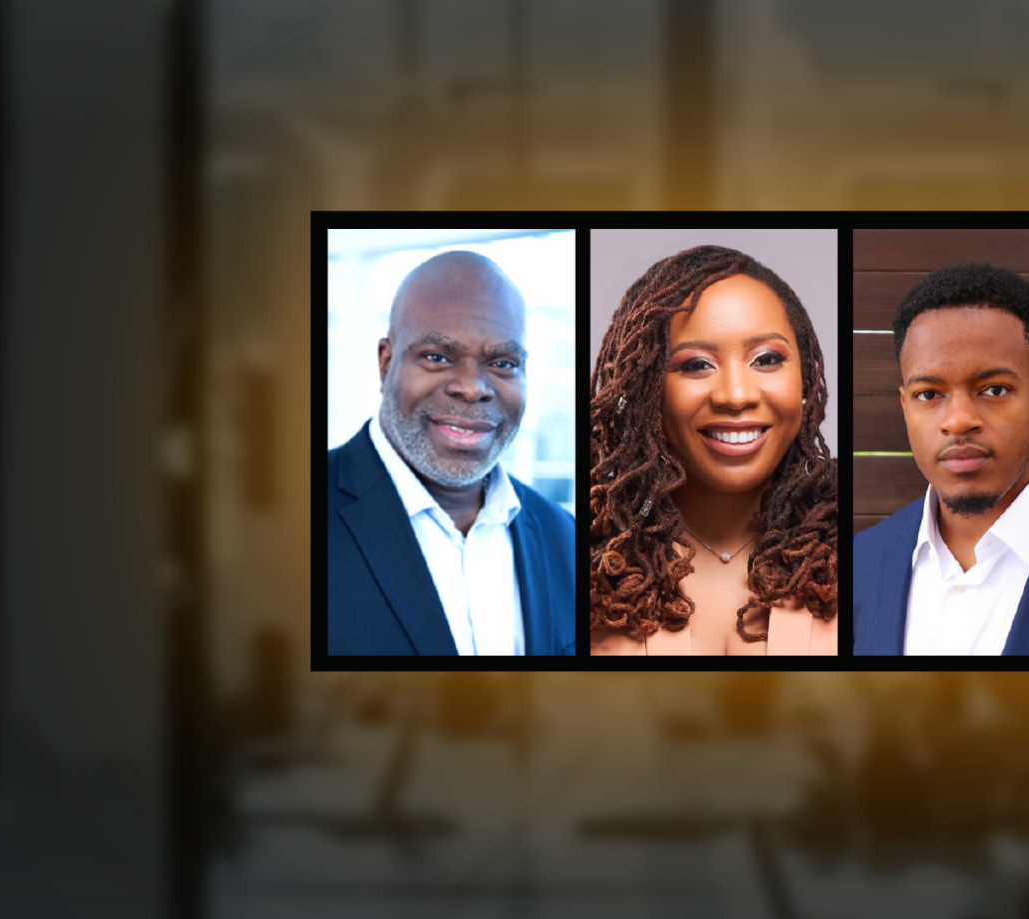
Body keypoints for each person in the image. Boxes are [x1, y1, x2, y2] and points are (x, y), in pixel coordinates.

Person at [589, 245, 838, 655]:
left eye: (766, 359)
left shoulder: (868, 551)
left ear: (805, 376)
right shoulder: (581, 559)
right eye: (695, 365)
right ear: (644, 389)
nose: (736, 396)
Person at [327, 251, 576, 656]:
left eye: (503, 362)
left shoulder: (565, 538)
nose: (472, 387)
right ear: (386, 363)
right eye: (438, 357)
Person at [853, 262, 1029, 656]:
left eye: (994, 389)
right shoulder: (857, 565)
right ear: (905, 407)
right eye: (929, 395)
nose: (958, 421)